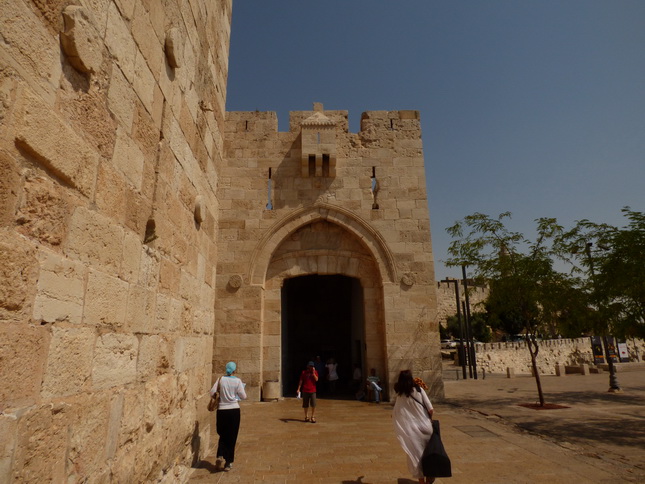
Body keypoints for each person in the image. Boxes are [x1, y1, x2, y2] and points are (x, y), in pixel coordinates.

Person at [392, 370, 435, 484]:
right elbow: (430, 409)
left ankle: (421, 481)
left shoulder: (400, 395)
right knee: (429, 452)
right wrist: (428, 418)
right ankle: (430, 474)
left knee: (416, 456)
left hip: (411, 430)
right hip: (425, 427)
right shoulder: (419, 390)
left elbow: (397, 412)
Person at [210, 361, 247, 472]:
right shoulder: (237, 381)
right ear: (235, 370)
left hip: (222, 410)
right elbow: (243, 396)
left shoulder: (220, 379)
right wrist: (234, 396)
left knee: (222, 433)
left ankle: (220, 454)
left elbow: (212, 392)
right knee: (232, 436)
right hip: (234, 410)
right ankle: (228, 463)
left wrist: (221, 396)